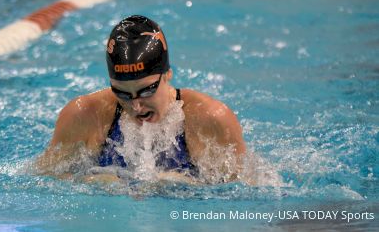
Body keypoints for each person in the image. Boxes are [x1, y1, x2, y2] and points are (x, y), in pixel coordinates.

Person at [36, 15, 246, 184]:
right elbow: (43, 180)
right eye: (122, 93)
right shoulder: (84, 115)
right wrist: (90, 182)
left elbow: (248, 194)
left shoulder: (209, 118)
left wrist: (187, 187)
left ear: (168, 74)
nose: (135, 105)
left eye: (146, 91)